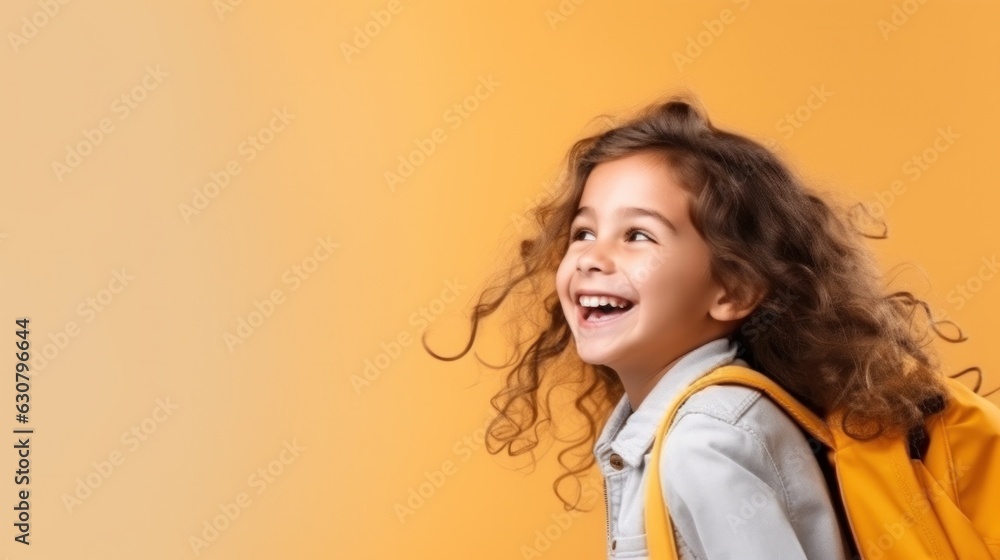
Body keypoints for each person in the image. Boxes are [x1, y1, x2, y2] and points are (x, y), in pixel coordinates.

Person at [423, 92, 963, 559]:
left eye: (638, 235)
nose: (591, 257)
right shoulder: (704, 422)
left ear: (734, 290)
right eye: (583, 233)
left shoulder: (704, 442)